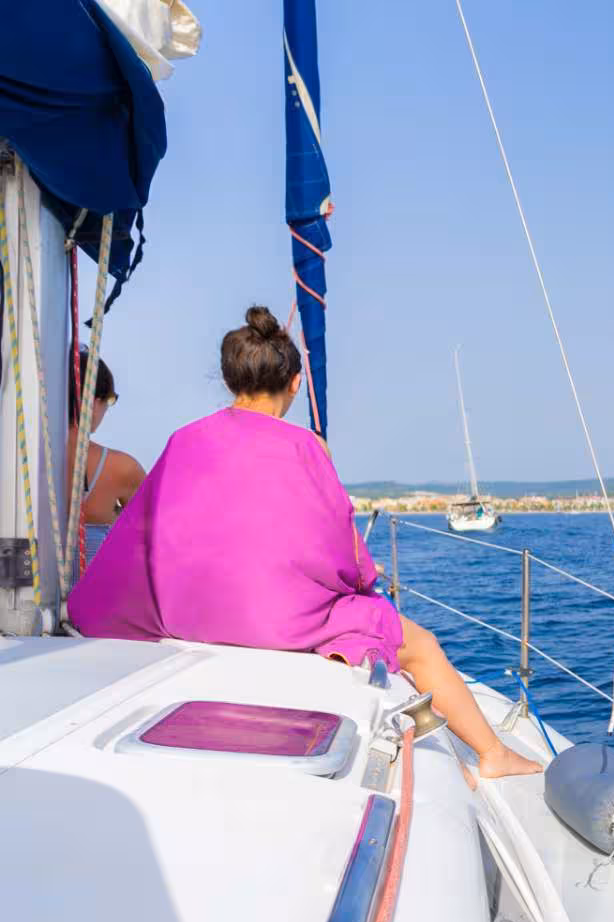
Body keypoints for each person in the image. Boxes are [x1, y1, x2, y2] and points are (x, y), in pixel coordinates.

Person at [69, 306, 540, 778]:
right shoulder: (307, 446)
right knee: (418, 644)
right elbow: (341, 547)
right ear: (295, 384)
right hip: (274, 622)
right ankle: (493, 754)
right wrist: (362, 585)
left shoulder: (182, 440)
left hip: (186, 612)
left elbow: (146, 532)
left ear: (231, 381)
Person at [66, 352, 146, 524]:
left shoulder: (16, 456)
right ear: (94, 402)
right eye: (110, 400)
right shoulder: (122, 468)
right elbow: (154, 539)